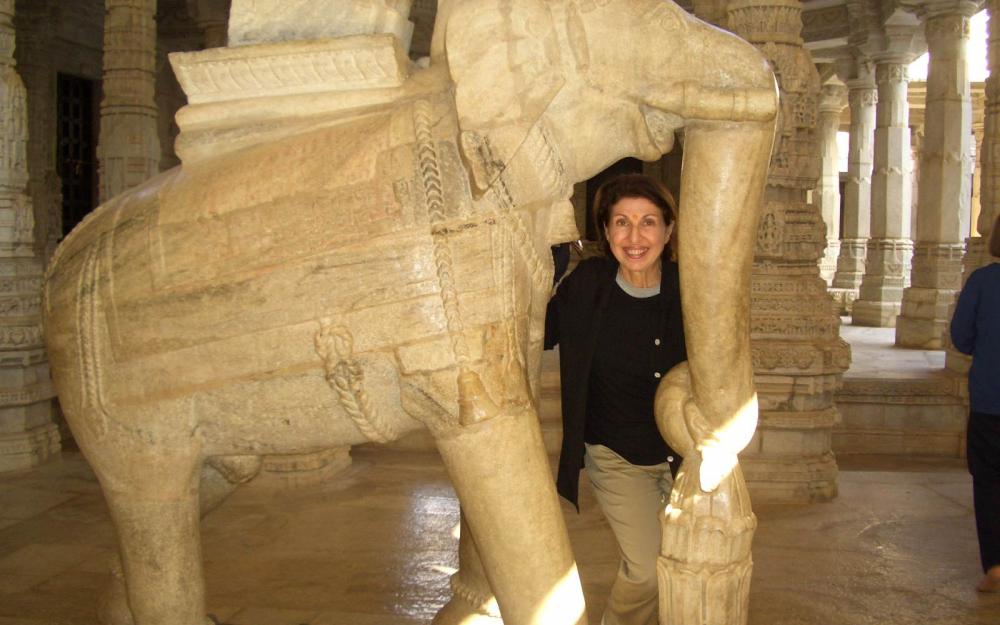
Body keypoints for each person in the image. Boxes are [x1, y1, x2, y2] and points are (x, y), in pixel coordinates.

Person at [545, 173, 685, 625]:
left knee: (684, 566)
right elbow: (537, 330)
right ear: (605, 232)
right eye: (621, 223)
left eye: (648, 222)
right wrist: (550, 258)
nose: (635, 236)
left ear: (668, 229)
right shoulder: (588, 285)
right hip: (617, 456)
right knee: (645, 570)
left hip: (685, 457)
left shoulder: (689, 288)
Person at [951, 212, 1000, 593]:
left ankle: (996, 567)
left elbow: (961, 338)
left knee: (988, 483)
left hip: (989, 401)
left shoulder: (982, 282)